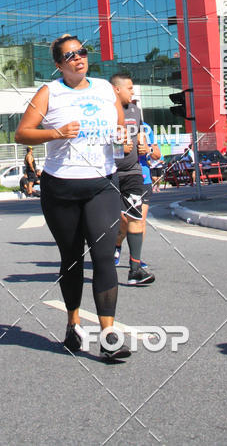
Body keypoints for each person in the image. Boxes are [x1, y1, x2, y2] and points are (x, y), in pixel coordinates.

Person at [15, 35, 131, 361]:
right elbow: (22, 133)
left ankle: (109, 336)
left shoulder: (106, 89)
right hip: (61, 188)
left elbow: (121, 125)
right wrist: (56, 132)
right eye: (69, 56)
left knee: (104, 256)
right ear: (58, 65)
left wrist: (124, 139)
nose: (78, 58)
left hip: (102, 183)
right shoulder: (49, 93)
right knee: (71, 258)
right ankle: (73, 323)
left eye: (81, 52)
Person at [109, 74, 156, 284]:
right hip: (109, 175)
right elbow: (95, 141)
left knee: (137, 218)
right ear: (117, 89)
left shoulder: (136, 111)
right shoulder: (105, 111)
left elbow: (139, 136)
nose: (133, 92)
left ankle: (135, 269)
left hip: (134, 173)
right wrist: (118, 148)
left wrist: (143, 146)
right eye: (129, 88)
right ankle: (109, 254)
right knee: (116, 222)